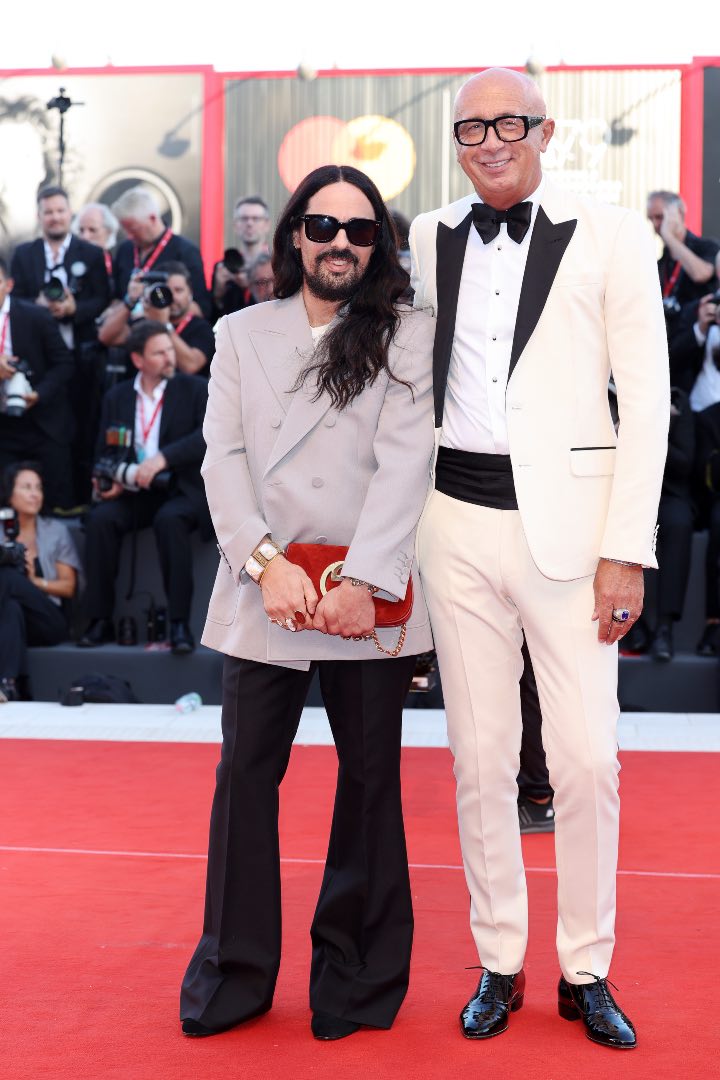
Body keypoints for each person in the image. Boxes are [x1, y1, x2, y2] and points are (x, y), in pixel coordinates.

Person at [410, 68, 669, 1050]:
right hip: (453, 524)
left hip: (574, 537)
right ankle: (501, 958)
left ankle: (586, 967)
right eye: (471, 128)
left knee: (588, 761)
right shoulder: (429, 236)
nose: (490, 141)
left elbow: (646, 403)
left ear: (545, 132)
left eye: (508, 123)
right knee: (480, 759)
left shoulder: (612, 234)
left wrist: (626, 551)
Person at [180, 165, 435, 1042]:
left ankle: (357, 978)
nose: (340, 243)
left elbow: (407, 463)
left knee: (369, 783)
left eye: (360, 230)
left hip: (365, 591)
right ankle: (234, 971)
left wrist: (363, 581)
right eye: (323, 226)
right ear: (296, 234)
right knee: (245, 779)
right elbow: (221, 457)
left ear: (378, 245)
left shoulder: (406, 333)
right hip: (270, 588)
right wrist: (265, 564)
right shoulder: (240, 332)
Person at [77, 321, 210, 655]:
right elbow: (104, 450)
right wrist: (111, 479)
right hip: (134, 492)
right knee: (100, 520)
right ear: (138, 359)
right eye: (159, 353)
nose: (170, 358)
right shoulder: (117, 396)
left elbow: (207, 436)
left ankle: (178, 623)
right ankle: (99, 620)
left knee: (170, 521)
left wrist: (164, 458)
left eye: (169, 350)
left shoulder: (195, 389)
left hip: (181, 488)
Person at [0, 461, 82, 702]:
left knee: (7, 578)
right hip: (9, 621)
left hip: (48, 619)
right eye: (26, 487)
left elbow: (69, 587)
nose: (35, 494)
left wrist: (34, 582)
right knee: (11, 608)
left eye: (38, 488)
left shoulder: (55, 531)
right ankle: (9, 685)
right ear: (9, 494)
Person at [0, 256, 76, 511]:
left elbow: (64, 364)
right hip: (3, 428)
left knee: (53, 503)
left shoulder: (35, 316)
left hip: (42, 422)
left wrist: (39, 394)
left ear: (9, 284)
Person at [10, 186, 110, 351]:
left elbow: (102, 299)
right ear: (38, 216)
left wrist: (74, 308)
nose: (55, 217)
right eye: (48, 212)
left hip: (83, 349)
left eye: (60, 211)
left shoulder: (92, 253)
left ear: (70, 213)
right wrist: (37, 304)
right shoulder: (23, 254)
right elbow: (14, 299)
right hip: (36, 348)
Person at [98, 261, 215, 376]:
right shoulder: (144, 323)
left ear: (190, 293)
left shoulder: (202, 328)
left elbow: (191, 366)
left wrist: (163, 324)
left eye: (178, 290)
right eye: (165, 291)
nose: (172, 297)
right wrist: (130, 301)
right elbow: (106, 337)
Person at [111, 187, 211, 318]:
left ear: (152, 218)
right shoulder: (125, 249)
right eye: (126, 231)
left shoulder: (186, 251)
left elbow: (202, 308)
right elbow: (115, 298)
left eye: (134, 229)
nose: (129, 236)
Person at [231, 195, 271, 265]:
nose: (249, 223)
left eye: (256, 218)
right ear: (235, 225)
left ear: (267, 225)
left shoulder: (279, 265)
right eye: (244, 218)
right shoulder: (227, 267)